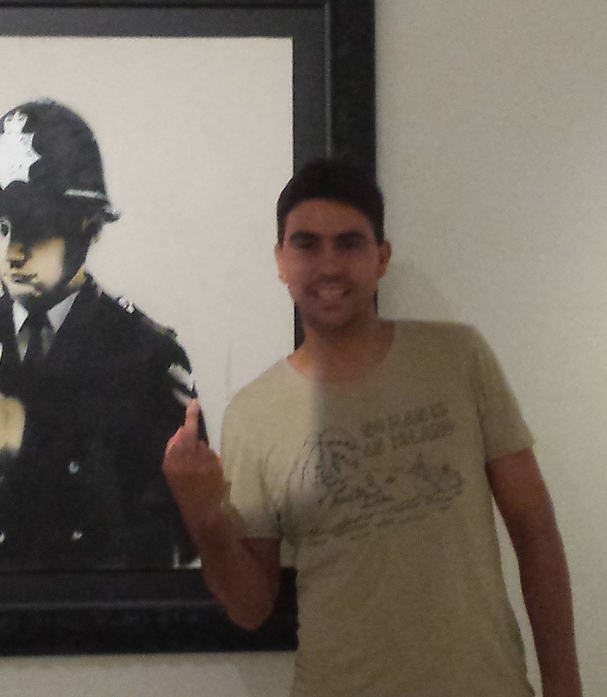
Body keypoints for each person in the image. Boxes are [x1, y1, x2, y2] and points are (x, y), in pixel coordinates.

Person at [163, 159, 582, 696]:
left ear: (381, 257)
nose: (328, 265)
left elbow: (534, 531)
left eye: (349, 243)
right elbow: (251, 608)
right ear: (281, 260)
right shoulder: (253, 412)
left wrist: (564, 686)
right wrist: (205, 519)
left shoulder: (458, 358)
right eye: (307, 245)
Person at [0, 99, 199, 573]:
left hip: (99, 606)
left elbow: (188, 522)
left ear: (87, 227)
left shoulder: (145, 351)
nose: (13, 252)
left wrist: (27, 437)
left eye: (35, 226)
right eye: (1, 227)